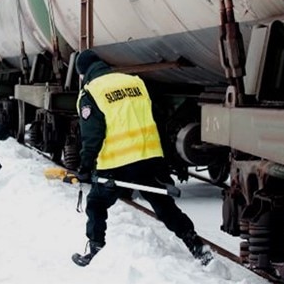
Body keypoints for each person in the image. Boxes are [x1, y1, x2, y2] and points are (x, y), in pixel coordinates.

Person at [71, 49, 213, 267]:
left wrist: (85, 166)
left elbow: (92, 136)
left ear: (83, 73)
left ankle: (94, 249)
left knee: (96, 203)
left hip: (116, 164)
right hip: (149, 159)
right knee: (164, 206)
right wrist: (163, 164)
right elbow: (158, 120)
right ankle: (196, 246)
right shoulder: (135, 83)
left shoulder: (91, 92)